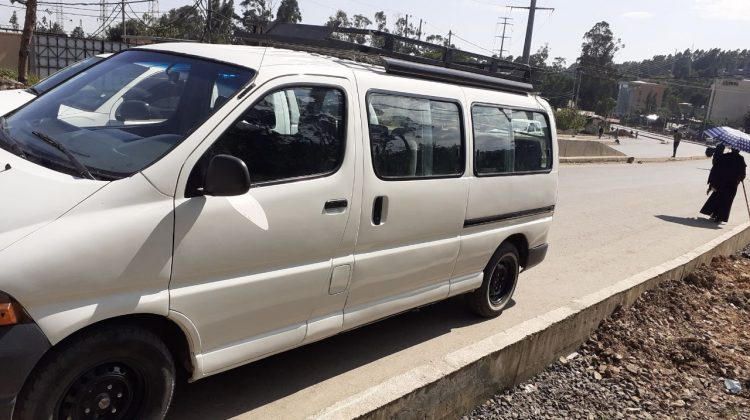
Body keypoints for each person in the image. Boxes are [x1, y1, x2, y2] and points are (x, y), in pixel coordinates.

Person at [700, 147, 747, 223]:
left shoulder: (725, 156)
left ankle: (714, 214)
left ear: (731, 149)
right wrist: (741, 178)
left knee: (718, 197)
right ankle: (720, 217)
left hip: (721, 182)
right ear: (738, 151)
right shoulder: (740, 159)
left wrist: (713, 181)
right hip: (732, 185)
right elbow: (743, 174)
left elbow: (716, 168)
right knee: (727, 201)